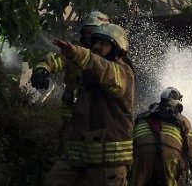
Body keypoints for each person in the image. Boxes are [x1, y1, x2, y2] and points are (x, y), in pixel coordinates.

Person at [44, 22, 136, 186]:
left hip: (109, 162)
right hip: (80, 156)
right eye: (95, 42)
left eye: (103, 43)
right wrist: (43, 67)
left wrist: (76, 52)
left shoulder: (122, 72)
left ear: (116, 48)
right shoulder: (90, 74)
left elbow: (102, 69)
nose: (96, 47)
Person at [31, 11, 112, 152]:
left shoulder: (111, 60)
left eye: (93, 32)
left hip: (99, 121)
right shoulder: (73, 53)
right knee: (67, 153)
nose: (89, 36)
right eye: (87, 32)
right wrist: (41, 70)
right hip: (72, 118)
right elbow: (52, 61)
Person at [129, 87, 192, 186]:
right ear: (177, 102)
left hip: (143, 154)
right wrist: (184, 167)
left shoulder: (142, 116)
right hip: (169, 157)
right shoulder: (182, 120)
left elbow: (131, 138)